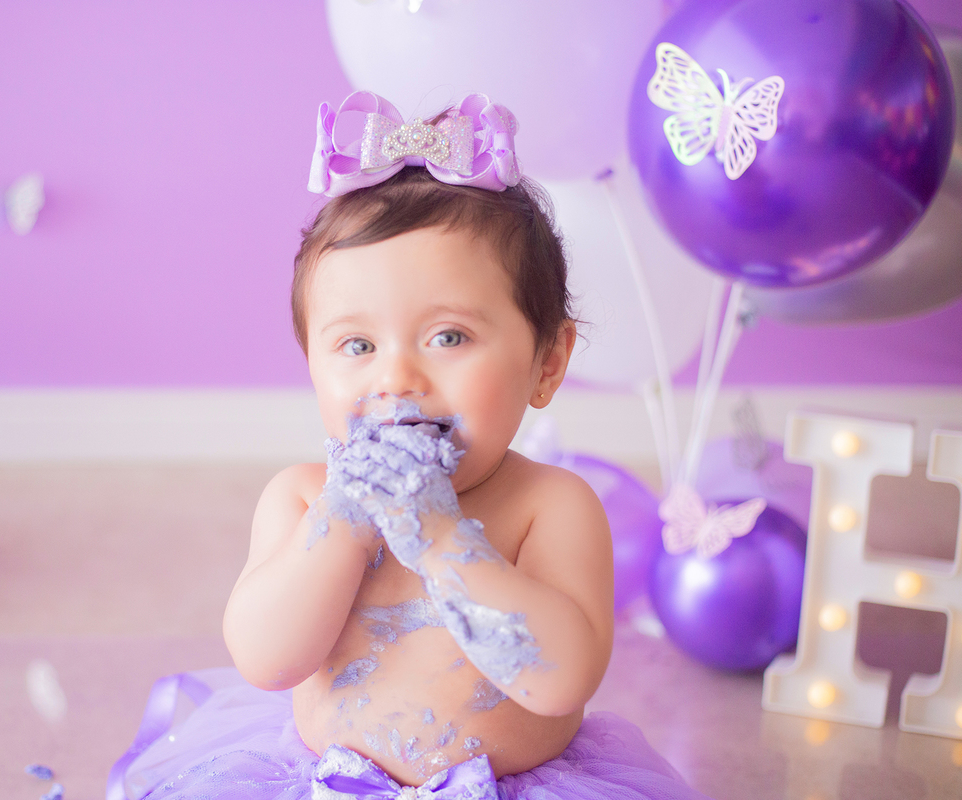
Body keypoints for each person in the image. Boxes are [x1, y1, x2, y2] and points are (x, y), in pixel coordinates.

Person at [110, 92, 709, 800]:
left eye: (448, 337)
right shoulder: (301, 498)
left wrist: (442, 538)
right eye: (357, 345)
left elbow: (562, 679)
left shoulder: (552, 505)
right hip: (324, 782)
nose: (396, 377)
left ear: (547, 362)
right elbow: (266, 660)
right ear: (312, 367)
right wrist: (342, 521)